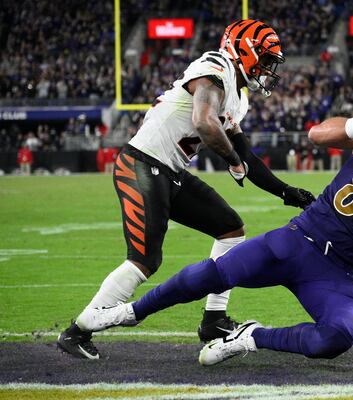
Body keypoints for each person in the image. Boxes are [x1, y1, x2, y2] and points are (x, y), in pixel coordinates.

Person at [77, 107, 353, 364]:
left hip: (337, 274)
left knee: (338, 336)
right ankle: (129, 313)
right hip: (297, 239)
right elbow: (317, 135)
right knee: (213, 274)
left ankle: (250, 338)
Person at [57, 19, 316, 360]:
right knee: (145, 259)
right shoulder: (216, 67)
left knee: (230, 228)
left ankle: (213, 320)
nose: (268, 68)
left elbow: (247, 155)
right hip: (141, 164)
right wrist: (232, 159)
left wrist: (286, 191)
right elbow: (204, 122)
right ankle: (78, 331)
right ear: (244, 51)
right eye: (265, 59)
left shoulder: (238, 96)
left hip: (170, 170)